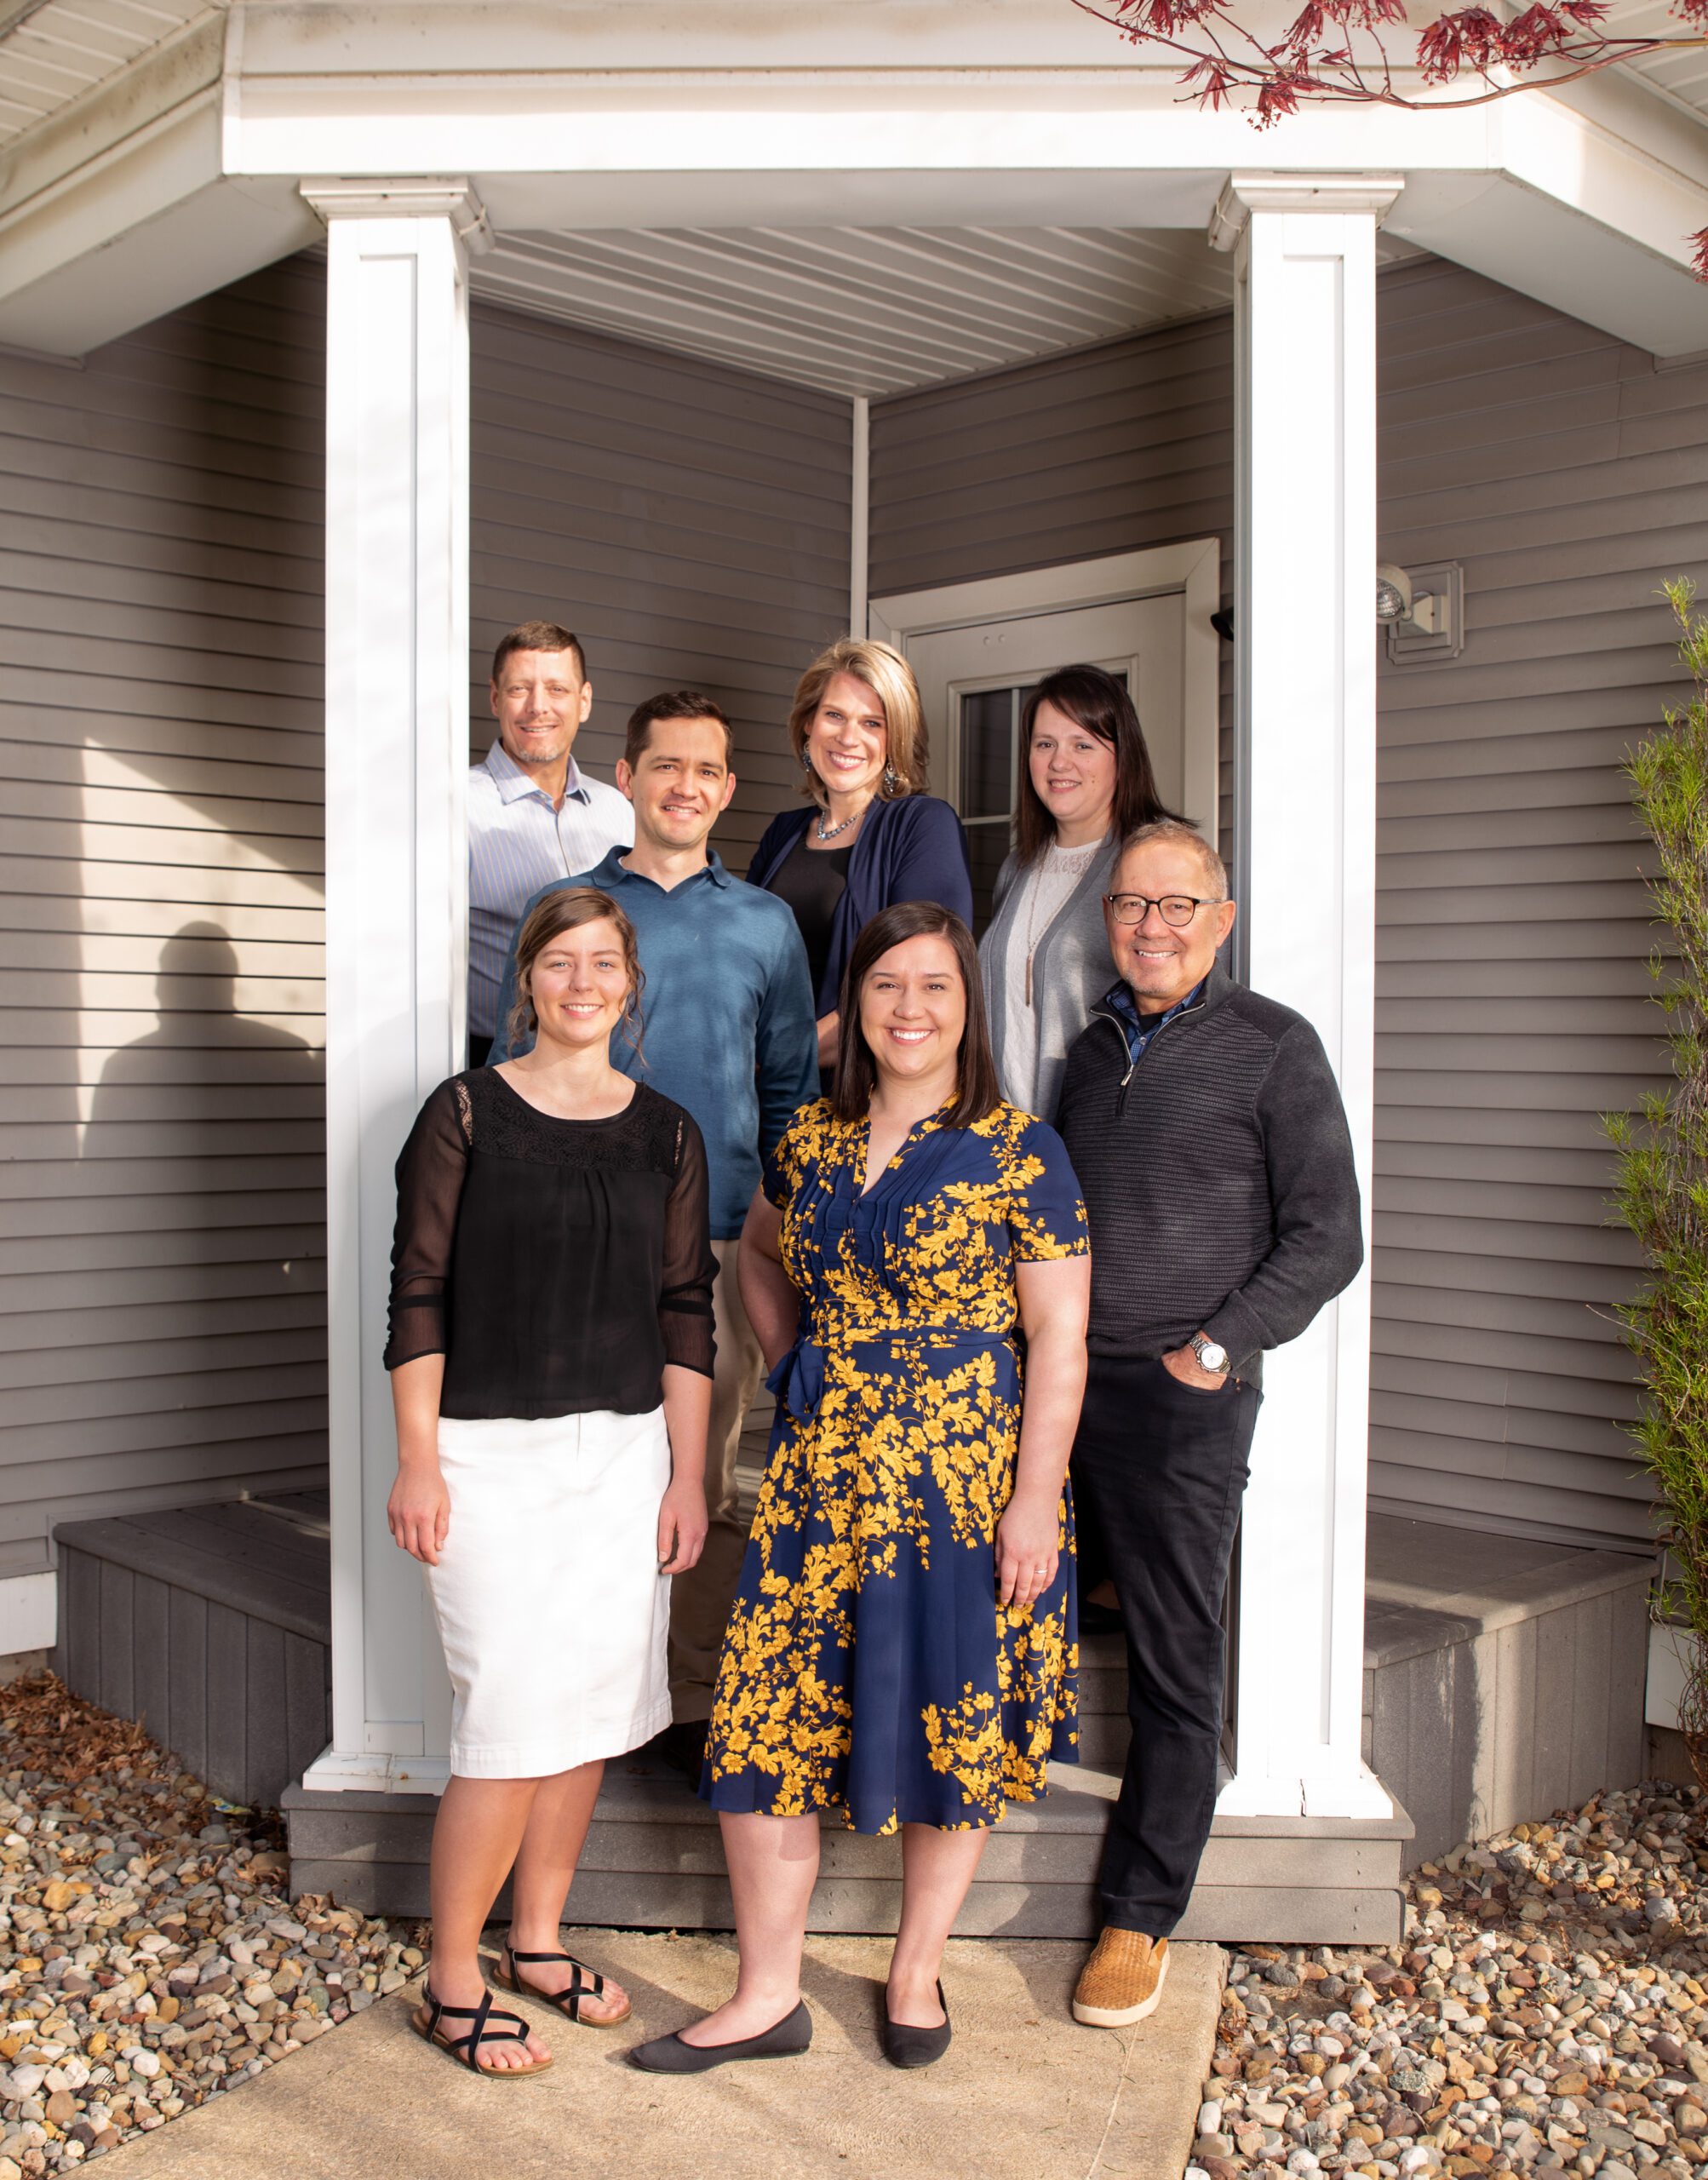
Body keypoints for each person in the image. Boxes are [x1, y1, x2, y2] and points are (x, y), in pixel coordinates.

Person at [630, 902, 1090, 2078]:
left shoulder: (1017, 1149)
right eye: (887, 985)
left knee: (951, 1715)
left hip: (961, 1482)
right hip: (820, 1472)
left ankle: (914, 1967)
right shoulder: (813, 1143)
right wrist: (791, 1360)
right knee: (762, 1714)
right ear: (858, 1003)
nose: (909, 1008)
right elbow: (756, 1250)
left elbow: (1061, 1341)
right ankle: (766, 1992)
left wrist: (1032, 1501)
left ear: (964, 1006)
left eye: (933, 986)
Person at [385, 888, 716, 2076]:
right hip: (487, 1457)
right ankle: (451, 1975)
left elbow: (688, 1311)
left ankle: (535, 1939)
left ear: (630, 985)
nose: (582, 983)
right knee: (509, 1721)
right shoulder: (463, 1114)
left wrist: (687, 1475)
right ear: (526, 979)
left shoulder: (669, 1132)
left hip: (624, 1458)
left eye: (603, 964)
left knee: (586, 1715)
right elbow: (416, 1292)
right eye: (559, 963)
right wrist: (417, 1457)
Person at [1055, 819, 1364, 2032]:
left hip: (1181, 1400)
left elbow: (1327, 1235)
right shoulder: (1088, 1051)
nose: (1150, 926)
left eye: (1176, 906)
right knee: (1022, 1602)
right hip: (1067, 1384)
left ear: (1219, 921)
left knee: (1177, 1665)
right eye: (1130, 905)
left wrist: (1215, 1348)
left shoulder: (1272, 1048)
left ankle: (1138, 1914)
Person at [490, 693, 818, 1772]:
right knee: (577, 1464)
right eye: (664, 764)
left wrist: (780, 1236)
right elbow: (508, 1062)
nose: (684, 784)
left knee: (702, 1472)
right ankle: (574, 1687)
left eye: (706, 769)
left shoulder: (762, 922)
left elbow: (787, 1090)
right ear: (624, 777)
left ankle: (686, 1698)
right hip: (579, 1232)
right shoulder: (570, 906)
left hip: (717, 1234)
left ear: (727, 790)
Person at [746, 638, 973, 1082]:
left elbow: (913, 989)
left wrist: (777, 1060)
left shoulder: (923, 826)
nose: (849, 737)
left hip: (864, 1096)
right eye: (834, 715)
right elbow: (745, 965)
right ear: (808, 724)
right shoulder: (783, 833)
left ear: (895, 740)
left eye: (872, 723)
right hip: (770, 1099)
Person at [978, 663, 1181, 1121]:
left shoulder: (1157, 861)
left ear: (1121, 755)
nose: (1059, 763)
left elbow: (1190, 1018)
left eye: (1082, 745)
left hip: (1105, 1139)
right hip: (1008, 1149)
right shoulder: (1018, 867)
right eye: (1044, 744)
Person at [466, 621, 633, 1065]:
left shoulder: (617, 810)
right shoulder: (455, 808)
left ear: (584, 702)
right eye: (521, 689)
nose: (538, 707)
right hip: (494, 1056)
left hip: (605, 1057)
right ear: (496, 699)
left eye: (557, 689)